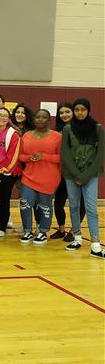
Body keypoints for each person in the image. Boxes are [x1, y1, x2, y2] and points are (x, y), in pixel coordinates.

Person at [60, 98, 104, 258]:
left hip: (91, 175)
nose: (80, 113)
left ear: (88, 110)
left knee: (92, 209)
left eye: (83, 109)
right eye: (77, 109)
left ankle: (95, 245)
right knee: (73, 207)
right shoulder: (67, 129)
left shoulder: (98, 129)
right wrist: (76, 175)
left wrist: (85, 175)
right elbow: (64, 153)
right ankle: (77, 238)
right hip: (71, 175)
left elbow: (100, 156)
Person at [18, 109, 61, 245]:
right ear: (34, 119)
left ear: (49, 120)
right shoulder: (26, 136)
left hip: (49, 177)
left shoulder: (57, 136)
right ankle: (27, 231)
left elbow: (61, 157)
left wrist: (44, 156)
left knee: (44, 206)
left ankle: (42, 231)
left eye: (44, 117)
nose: (40, 120)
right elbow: (21, 156)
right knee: (24, 203)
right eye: (38, 117)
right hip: (29, 176)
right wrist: (29, 158)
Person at [52, 102, 83, 241]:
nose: (64, 115)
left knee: (77, 204)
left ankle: (74, 231)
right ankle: (61, 229)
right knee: (58, 202)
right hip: (62, 173)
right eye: (61, 113)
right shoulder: (57, 131)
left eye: (67, 112)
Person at [0, 107, 22, 236]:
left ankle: (1, 227)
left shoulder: (13, 134)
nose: (1, 118)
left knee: (4, 199)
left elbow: (12, 155)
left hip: (6, 172)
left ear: (8, 119)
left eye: (4, 115)